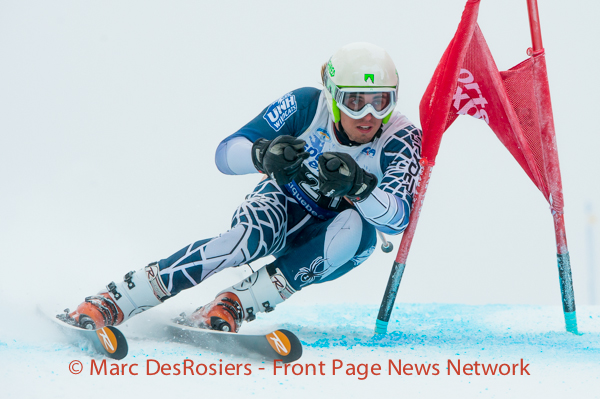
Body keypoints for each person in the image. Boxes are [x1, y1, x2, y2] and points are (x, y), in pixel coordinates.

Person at [59, 42, 422, 333]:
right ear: (332, 95)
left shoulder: (401, 137)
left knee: (362, 233)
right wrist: (262, 154)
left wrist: (360, 188)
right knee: (244, 241)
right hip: (282, 202)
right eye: (354, 102)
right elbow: (225, 154)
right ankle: (118, 298)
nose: (369, 116)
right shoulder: (306, 105)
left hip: (332, 239)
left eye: (381, 101)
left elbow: (397, 220)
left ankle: (234, 304)